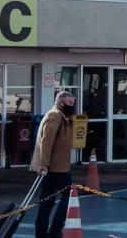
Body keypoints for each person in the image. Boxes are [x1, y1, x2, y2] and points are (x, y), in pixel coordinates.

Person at [30, 91, 76, 238]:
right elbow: (46, 141)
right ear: (60, 102)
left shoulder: (62, 116)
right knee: (68, 196)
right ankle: (55, 230)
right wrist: (44, 163)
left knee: (47, 201)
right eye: (70, 103)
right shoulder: (54, 115)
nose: (72, 106)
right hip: (55, 167)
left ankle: (42, 233)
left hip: (58, 166)